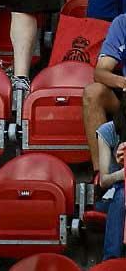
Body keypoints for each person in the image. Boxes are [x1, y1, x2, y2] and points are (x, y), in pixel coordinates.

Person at [84, 13, 126, 180]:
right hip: (125, 98)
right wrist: (123, 82)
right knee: (93, 92)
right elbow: (100, 72)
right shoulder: (122, 23)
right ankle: (101, 177)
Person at [95, 96, 126, 260]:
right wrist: (122, 174)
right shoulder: (108, 131)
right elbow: (103, 180)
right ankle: (111, 260)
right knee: (122, 194)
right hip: (112, 194)